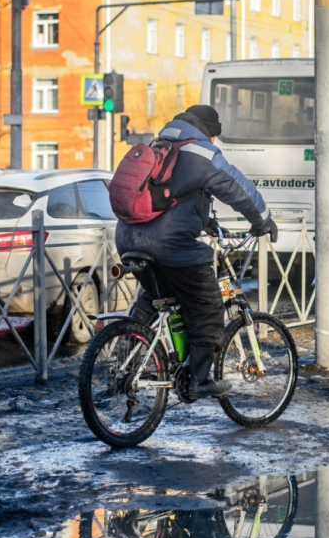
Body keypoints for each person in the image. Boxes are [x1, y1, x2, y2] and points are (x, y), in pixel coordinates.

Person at [116, 104, 277, 400]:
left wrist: (208, 223)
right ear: (208, 132)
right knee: (207, 306)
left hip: (127, 238)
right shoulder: (201, 152)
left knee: (155, 297)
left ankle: (125, 359)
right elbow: (237, 188)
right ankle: (199, 381)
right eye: (213, 136)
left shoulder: (160, 147)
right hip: (170, 246)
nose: (213, 142)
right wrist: (263, 220)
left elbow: (175, 199)